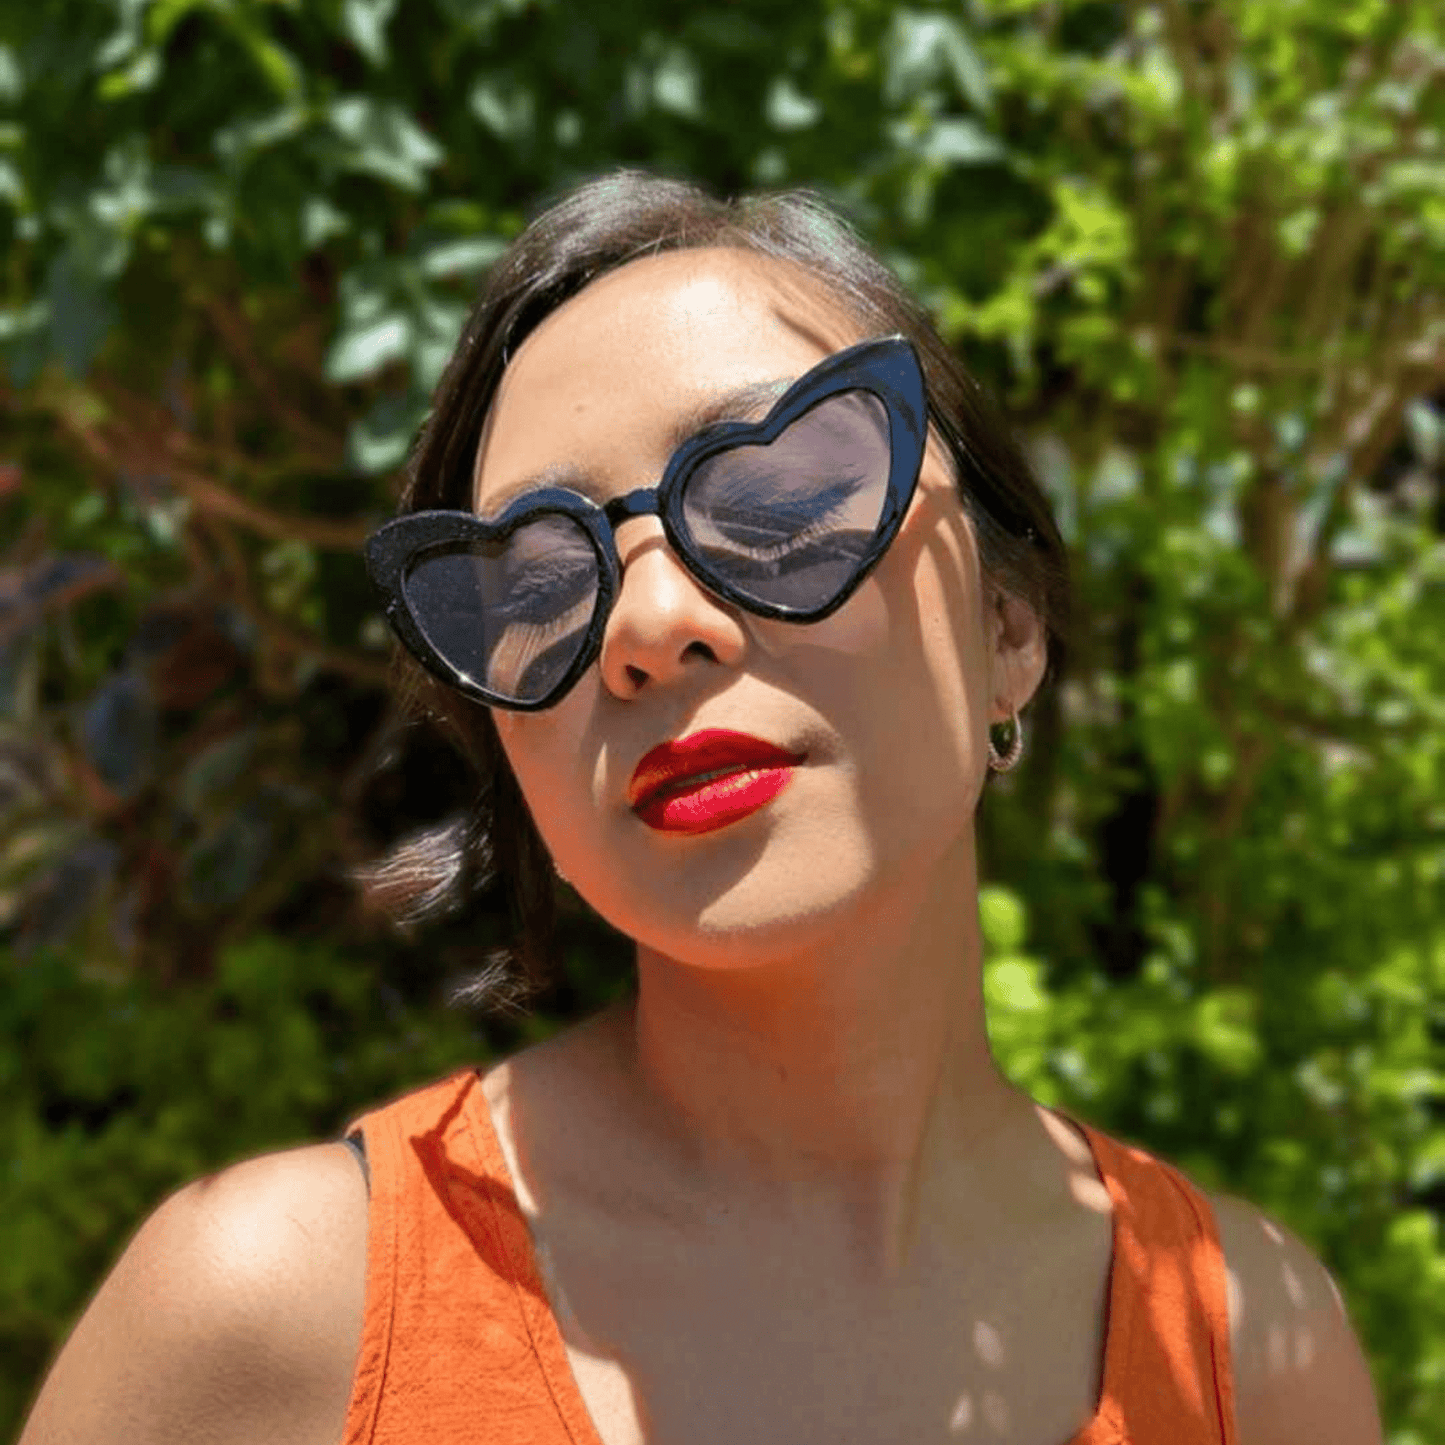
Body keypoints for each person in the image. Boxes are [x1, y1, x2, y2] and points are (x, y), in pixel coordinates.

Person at [18, 171, 1382, 1445]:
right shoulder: (276, 1319)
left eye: (782, 498)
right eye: (537, 585)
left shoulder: (1249, 1354)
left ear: (1008, 625)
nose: (651, 620)